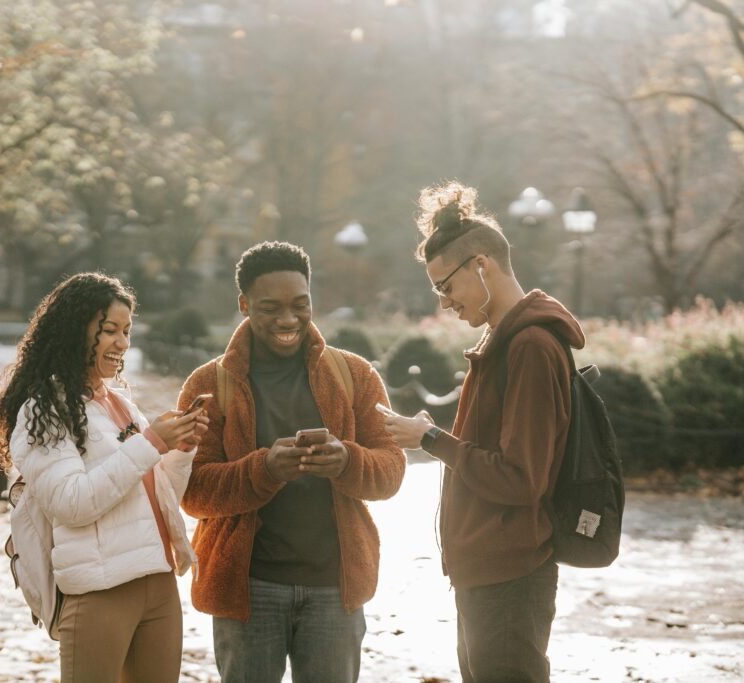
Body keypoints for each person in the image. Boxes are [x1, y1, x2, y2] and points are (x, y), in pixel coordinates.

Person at [381, 182, 586, 683]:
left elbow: (520, 478)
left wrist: (429, 440)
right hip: (489, 571)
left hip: (511, 574)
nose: (444, 302)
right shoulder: (505, 340)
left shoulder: (531, 345)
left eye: (445, 287)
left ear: (481, 265)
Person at [178, 241, 405, 683]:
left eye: (300, 305)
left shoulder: (354, 374)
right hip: (248, 590)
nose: (288, 319)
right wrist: (263, 470)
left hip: (335, 588)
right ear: (244, 305)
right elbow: (192, 491)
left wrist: (347, 461)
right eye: (270, 308)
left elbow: (392, 470)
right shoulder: (209, 384)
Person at [0, 272, 207, 683]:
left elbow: (159, 496)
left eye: (127, 331)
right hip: (101, 592)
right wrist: (151, 442)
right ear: (74, 331)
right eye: (109, 331)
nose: (122, 343)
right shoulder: (43, 412)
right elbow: (72, 503)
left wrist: (182, 449)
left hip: (157, 583)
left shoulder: (118, 404)